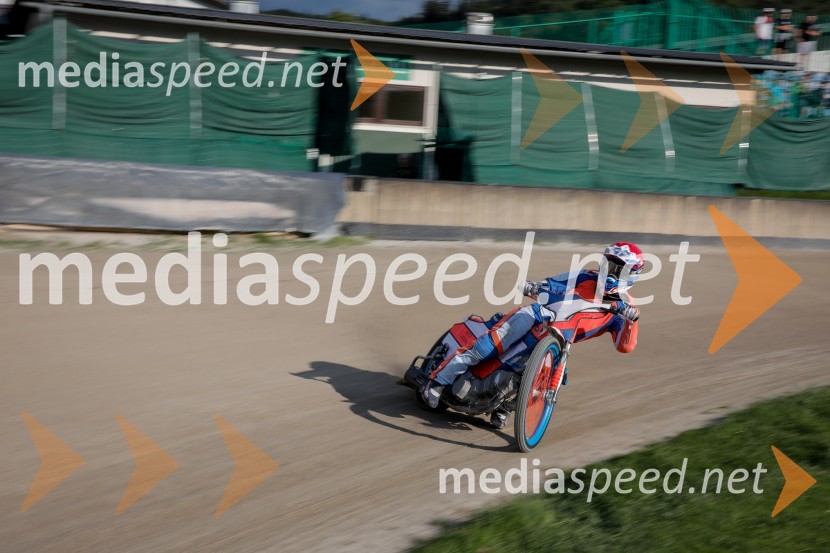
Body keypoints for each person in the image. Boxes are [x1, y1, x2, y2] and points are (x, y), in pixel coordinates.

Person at [422, 242, 645, 428]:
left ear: (631, 274)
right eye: (608, 264)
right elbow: (553, 283)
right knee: (488, 347)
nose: (609, 271)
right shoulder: (586, 276)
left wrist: (631, 321)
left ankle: (505, 407)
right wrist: (535, 287)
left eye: (618, 268)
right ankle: (437, 382)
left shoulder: (626, 307)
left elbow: (624, 346)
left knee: (545, 381)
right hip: (539, 316)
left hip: (561, 340)